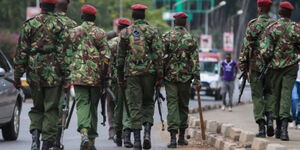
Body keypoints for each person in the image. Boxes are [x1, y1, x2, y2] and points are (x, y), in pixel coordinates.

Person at [14, 0, 71, 149]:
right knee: (51, 109)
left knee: (37, 107)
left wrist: (17, 76)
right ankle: (46, 143)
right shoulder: (60, 25)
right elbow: (63, 53)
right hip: (54, 73)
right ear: (54, 7)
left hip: (34, 72)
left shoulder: (29, 24)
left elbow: (21, 52)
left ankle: (34, 139)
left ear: (41, 7)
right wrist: (66, 76)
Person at [117, 4, 163, 150]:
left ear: (133, 16)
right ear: (144, 16)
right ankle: (147, 134)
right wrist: (159, 76)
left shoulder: (125, 32)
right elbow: (158, 55)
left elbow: (120, 58)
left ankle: (136, 141)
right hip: (150, 74)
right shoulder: (153, 31)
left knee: (134, 105)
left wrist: (120, 76)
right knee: (149, 103)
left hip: (132, 74)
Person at [68, 4, 109, 150]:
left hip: (78, 76)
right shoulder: (100, 33)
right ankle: (91, 141)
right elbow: (106, 56)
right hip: (96, 77)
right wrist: (104, 75)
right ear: (94, 17)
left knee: (82, 105)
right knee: (93, 106)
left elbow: (67, 53)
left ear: (82, 17)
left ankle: (84, 133)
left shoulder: (74, 32)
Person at [260, 1, 300, 141]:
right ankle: (284, 130)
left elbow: (265, 51)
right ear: (290, 13)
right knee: (286, 95)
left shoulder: (272, 28)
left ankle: (277, 128)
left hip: (274, 67)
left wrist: (269, 60)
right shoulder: (296, 28)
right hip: (291, 66)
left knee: (275, 95)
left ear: (279, 13)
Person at [239, 0, 276, 138]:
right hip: (272, 67)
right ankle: (271, 119)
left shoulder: (253, 25)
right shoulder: (275, 25)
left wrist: (242, 66)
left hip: (255, 67)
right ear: (269, 8)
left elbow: (246, 47)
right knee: (270, 94)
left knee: (257, 96)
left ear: (260, 8)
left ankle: (261, 127)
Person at [162, 12, 200, 148]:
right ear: (185, 23)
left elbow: (160, 58)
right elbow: (195, 60)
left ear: (174, 22)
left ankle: (173, 138)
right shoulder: (191, 38)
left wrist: (159, 76)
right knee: (183, 106)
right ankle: (182, 138)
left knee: (172, 105)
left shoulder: (166, 37)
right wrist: (197, 80)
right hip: (186, 78)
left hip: (170, 78)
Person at [54, 0, 77, 148]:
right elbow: (74, 50)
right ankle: (57, 140)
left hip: (45, 71)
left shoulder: (49, 21)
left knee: (44, 106)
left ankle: (40, 138)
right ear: (67, 7)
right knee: (63, 106)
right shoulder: (73, 25)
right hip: (65, 72)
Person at [108, 18, 133, 148]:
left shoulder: (111, 43)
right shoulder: (132, 41)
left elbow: (105, 63)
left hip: (115, 80)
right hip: (130, 77)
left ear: (118, 28)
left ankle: (118, 136)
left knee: (118, 106)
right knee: (128, 105)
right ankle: (127, 136)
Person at [291, 62, 300, 129]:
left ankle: (298, 121)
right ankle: (293, 118)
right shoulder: (294, 52)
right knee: (294, 99)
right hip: (294, 79)